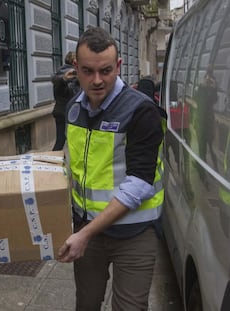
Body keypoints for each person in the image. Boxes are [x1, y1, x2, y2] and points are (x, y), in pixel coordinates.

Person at [57, 26, 167, 311]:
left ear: (118, 66)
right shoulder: (73, 108)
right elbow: (73, 165)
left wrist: (84, 233)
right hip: (88, 231)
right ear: (75, 68)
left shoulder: (141, 111)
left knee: (129, 307)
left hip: (134, 233)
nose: (97, 80)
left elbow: (139, 184)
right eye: (88, 71)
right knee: (87, 304)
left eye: (106, 71)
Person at [51, 51, 80, 150]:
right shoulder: (72, 75)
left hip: (59, 111)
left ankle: (54, 161)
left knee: (60, 140)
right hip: (69, 112)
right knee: (72, 141)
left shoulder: (59, 73)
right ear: (74, 61)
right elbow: (71, 92)